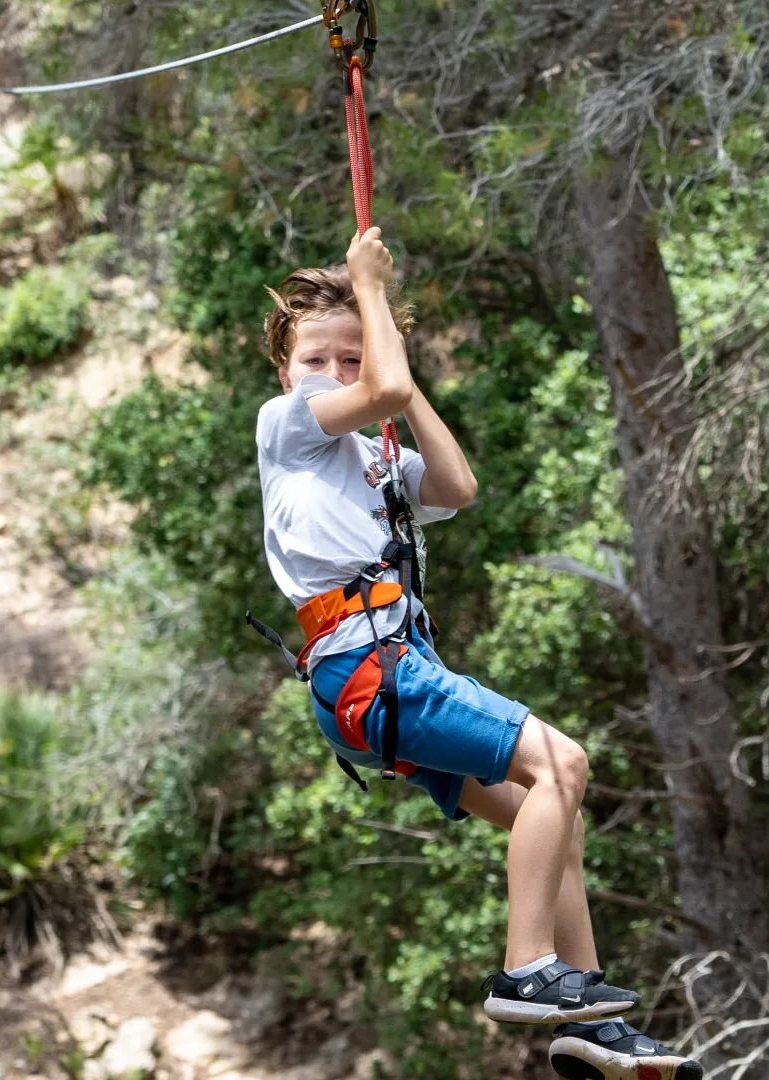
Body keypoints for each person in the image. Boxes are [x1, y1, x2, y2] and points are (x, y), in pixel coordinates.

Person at [255, 226, 702, 1080]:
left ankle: (588, 1022)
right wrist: (372, 300)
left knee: (554, 816)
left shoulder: (370, 453)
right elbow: (379, 388)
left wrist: (399, 378)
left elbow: (457, 486)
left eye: (353, 358)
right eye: (319, 358)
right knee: (563, 764)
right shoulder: (290, 425)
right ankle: (528, 967)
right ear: (287, 369)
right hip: (371, 666)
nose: (337, 374)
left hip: (374, 678)